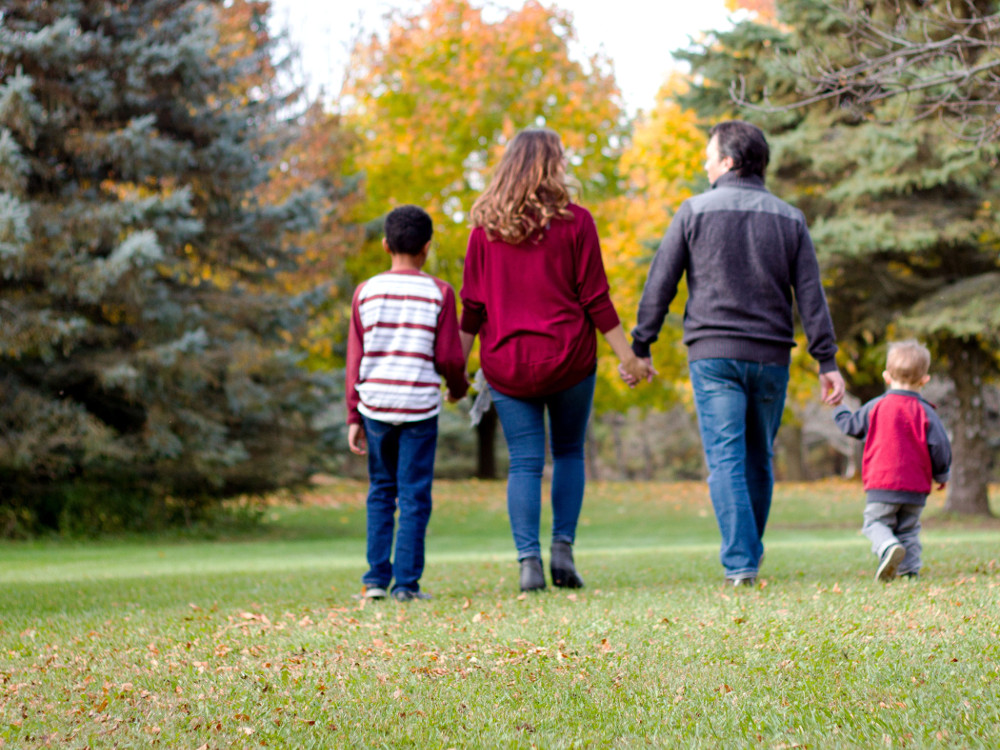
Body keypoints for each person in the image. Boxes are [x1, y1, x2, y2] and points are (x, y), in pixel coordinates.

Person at [625, 120, 846, 587]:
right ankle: (748, 556)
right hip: (771, 357)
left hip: (714, 355)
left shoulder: (693, 211)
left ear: (728, 161)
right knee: (758, 457)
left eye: (710, 155)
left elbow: (659, 284)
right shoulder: (790, 218)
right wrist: (826, 362)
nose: (705, 164)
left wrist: (641, 346)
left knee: (726, 459)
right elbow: (811, 296)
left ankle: (741, 563)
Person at [460, 128, 650, 593]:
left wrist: (456, 370)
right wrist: (630, 359)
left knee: (524, 462)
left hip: (507, 364)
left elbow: (472, 307)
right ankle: (562, 551)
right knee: (567, 453)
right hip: (569, 359)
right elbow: (596, 299)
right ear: (552, 164)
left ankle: (529, 564)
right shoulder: (577, 222)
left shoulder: (485, 230)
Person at [345, 205, 469, 602]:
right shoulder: (440, 293)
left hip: (376, 405)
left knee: (381, 490)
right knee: (414, 494)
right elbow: (450, 356)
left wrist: (353, 413)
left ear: (385, 245)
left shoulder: (365, 292)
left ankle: (375, 580)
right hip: (418, 407)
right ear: (427, 248)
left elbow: (355, 357)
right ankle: (407, 585)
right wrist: (458, 387)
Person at [833, 340, 951, 581]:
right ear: (924, 380)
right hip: (916, 488)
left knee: (875, 523)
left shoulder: (876, 406)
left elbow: (851, 426)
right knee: (908, 530)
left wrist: (838, 407)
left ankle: (887, 546)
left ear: (887, 376)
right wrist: (942, 475)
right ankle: (909, 572)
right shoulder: (925, 410)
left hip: (882, 483)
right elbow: (940, 446)